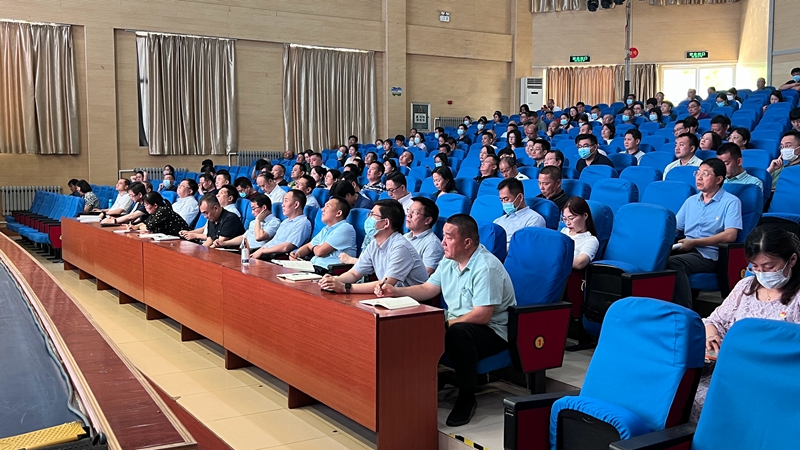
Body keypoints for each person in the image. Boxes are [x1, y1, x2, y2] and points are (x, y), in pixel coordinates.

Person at [374, 214, 516, 427]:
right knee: (414, 323)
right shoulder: (449, 261)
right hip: (458, 322)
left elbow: (482, 315)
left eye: (449, 237)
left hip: (492, 331)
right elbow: (427, 288)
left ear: (467, 242)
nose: (443, 242)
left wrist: (445, 325)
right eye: (443, 236)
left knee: (457, 333)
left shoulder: (486, 267)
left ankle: (467, 397)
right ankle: (412, 387)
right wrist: (395, 291)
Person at [690, 226, 800, 423]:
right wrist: (712, 335)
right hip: (729, 370)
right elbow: (714, 320)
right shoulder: (745, 287)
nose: (761, 273)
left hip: (772, 379)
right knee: (682, 389)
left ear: (791, 260)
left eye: (769, 267)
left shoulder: (797, 298)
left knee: (718, 401)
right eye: (755, 267)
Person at [667, 158, 742, 308]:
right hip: (685, 247)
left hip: (709, 254)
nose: (699, 178)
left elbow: (730, 235)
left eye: (705, 174)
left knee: (674, 263)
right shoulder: (691, 201)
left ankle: (684, 311)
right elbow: (674, 228)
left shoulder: (731, 202)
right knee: (655, 258)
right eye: (698, 173)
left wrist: (695, 242)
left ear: (719, 179)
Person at [318, 199, 428, 293]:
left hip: (415, 302)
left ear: (386, 223)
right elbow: (354, 273)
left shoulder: (400, 247)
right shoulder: (374, 244)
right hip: (390, 298)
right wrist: (334, 280)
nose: (368, 219)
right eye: (369, 214)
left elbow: (385, 284)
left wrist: (345, 287)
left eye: (373, 215)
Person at [290, 196, 356, 268]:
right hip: (313, 267)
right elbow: (308, 247)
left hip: (329, 271)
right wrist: (297, 254)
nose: (322, 210)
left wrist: (314, 247)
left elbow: (319, 252)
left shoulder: (345, 228)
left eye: (327, 206)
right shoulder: (326, 229)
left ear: (338, 213)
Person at [251, 190, 312, 259]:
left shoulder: (302, 223)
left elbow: (286, 247)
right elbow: (273, 241)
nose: (282, 205)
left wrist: (262, 251)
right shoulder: (285, 221)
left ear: (296, 205)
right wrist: (259, 251)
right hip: (267, 253)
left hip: (278, 257)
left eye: (286, 201)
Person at [210, 194, 279, 249]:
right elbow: (244, 237)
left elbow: (259, 237)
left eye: (254, 209)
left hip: (256, 253)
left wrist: (258, 220)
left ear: (264, 208)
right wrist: (224, 243)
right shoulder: (253, 222)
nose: (252, 213)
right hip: (243, 251)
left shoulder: (274, 222)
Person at [493, 178, 545, 248]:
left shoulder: (534, 219)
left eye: (506, 199)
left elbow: (527, 247)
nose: (504, 203)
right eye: (501, 200)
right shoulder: (497, 221)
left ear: (520, 197)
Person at [405, 197, 445, 275]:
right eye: (409, 210)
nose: (409, 215)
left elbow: (424, 275)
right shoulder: (405, 237)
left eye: (415, 212)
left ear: (427, 220)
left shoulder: (432, 244)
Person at [560, 196, 599, 270]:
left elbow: (579, 263)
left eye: (571, 218)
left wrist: (555, 258)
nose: (568, 223)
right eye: (564, 219)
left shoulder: (591, 240)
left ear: (585, 216)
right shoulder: (563, 231)